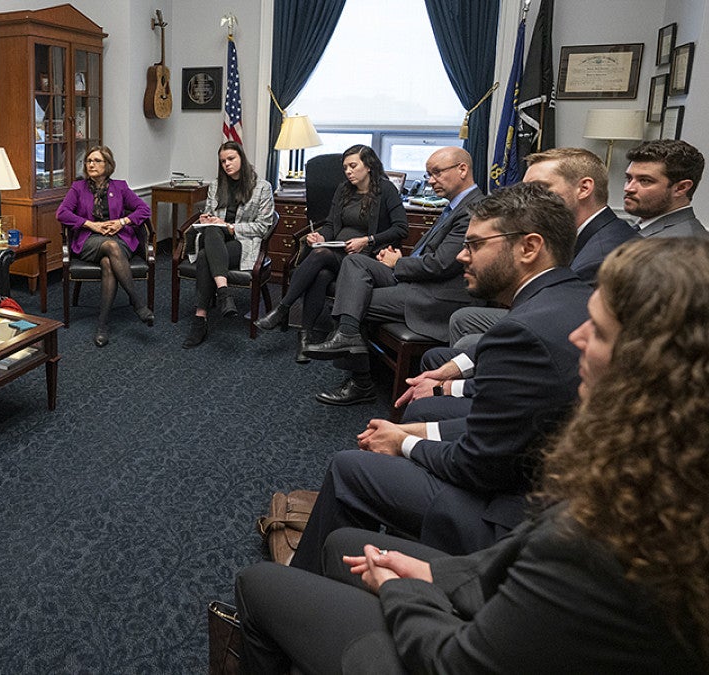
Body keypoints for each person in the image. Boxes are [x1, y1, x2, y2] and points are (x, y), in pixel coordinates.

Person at [234, 237, 709, 673]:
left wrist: (402, 588)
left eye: (600, 333)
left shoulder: (596, 537)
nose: (578, 338)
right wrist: (431, 571)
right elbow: (511, 568)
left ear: (651, 366)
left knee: (258, 585)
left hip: (452, 646)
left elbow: (455, 662)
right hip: (507, 600)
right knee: (342, 547)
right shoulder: (662, 472)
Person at [289, 183, 589, 569]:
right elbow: (509, 429)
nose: (464, 256)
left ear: (529, 248)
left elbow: (477, 465)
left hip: (512, 521)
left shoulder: (521, 331)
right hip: (540, 483)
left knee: (350, 467)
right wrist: (409, 433)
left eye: (477, 245)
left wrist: (404, 444)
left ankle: (312, 581)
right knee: (412, 421)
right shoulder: (574, 296)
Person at [302, 147, 484, 405]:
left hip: (435, 295)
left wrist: (398, 262)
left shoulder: (472, 210)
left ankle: (360, 381)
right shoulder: (456, 206)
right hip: (416, 278)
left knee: (354, 300)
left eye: (436, 173)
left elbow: (442, 265)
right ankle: (348, 335)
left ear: (462, 170)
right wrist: (398, 259)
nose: (430, 180)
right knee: (355, 263)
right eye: (428, 174)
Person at [446, 147, 637, 347]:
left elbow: (561, 329)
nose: (528, 201)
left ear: (584, 188)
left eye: (539, 189)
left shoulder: (601, 255)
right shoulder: (586, 232)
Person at [254, 145, 407, 364]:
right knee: (322, 269)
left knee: (320, 264)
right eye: (345, 167)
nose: (348, 171)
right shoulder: (344, 189)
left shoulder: (386, 190)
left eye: (353, 166)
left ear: (369, 166)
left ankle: (283, 310)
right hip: (335, 251)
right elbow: (330, 225)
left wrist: (367, 240)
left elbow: (401, 228)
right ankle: (304, 337)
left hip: (363, 259)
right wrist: (322, 238)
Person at [55, 146, 154, 347]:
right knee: (110, 246)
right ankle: (137, 302)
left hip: (121, 239)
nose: (91, 164)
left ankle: (102, 325)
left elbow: (144, 209)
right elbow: (62, 213)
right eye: (89, 161)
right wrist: (92, 225)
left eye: (97, 161)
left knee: (109, 262)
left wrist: (122, 222)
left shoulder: (120, 187)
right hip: (89, 240)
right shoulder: (78, 188)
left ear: (107, 165)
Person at [182, 141, 275, 348]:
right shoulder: (216, 185)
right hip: (218, 239)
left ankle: (200, 319)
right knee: (212, 230)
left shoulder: (262, 187)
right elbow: (210, 214)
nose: (227, 164)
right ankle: (223, 294)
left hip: (243, 244)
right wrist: (207, 219)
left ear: (242, 157)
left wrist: (231, 227)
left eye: (231, 159)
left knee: (206, 255)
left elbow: (263, 227)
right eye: (223, 161)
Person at [623, 139, 705, 237]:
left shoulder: (679, 244)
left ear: (681, 188)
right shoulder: (643, 230)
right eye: (629, 178)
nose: (628, 188)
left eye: (645, 180)